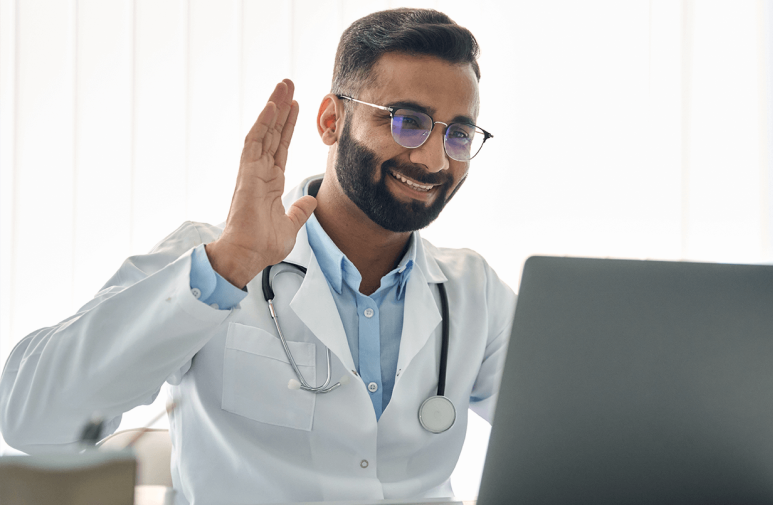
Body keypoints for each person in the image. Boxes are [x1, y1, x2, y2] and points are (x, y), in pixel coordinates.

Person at [0, 8, 516, 505]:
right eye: (407, 122)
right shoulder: (212, 258)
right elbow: (32, 422)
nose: (433, 158)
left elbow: (575, 437)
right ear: (333, 121)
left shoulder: (473, 291)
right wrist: (228, 267)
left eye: (458, 134)